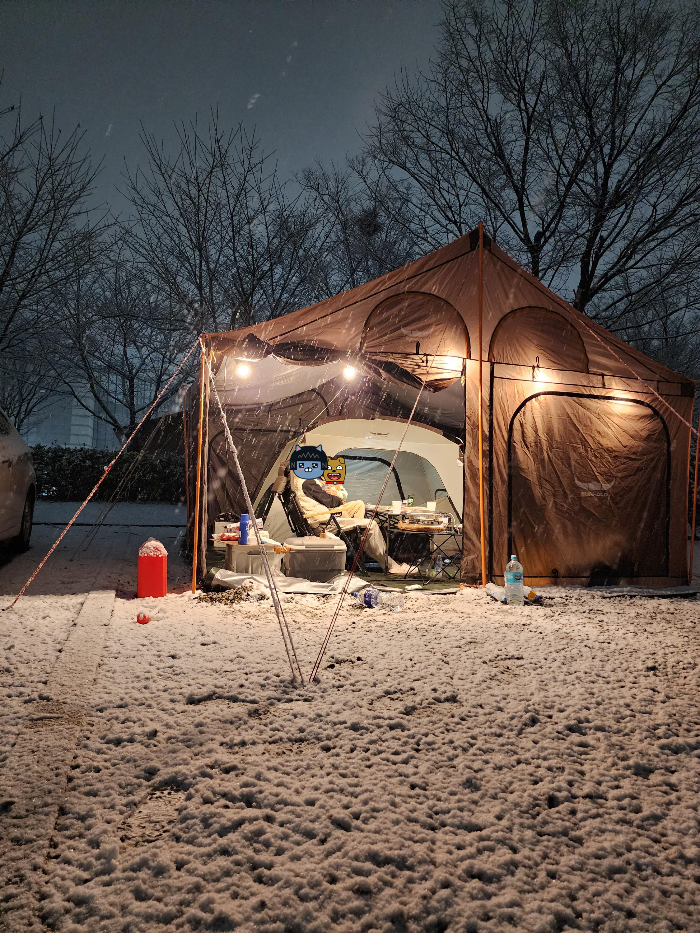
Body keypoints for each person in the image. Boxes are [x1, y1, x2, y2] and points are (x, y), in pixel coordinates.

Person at [288, 451, 414, 575]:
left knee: (360, 512)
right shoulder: (307, 482)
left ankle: (371, 549)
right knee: (371, 524)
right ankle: (388, 564)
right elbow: (332, 502)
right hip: (324, 524)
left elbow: (327, 500)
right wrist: (337, 500)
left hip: (324, 519)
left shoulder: (301, 481)